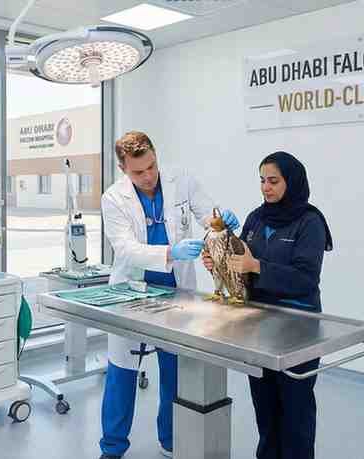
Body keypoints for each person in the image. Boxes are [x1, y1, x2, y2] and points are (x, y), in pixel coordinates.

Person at [99, 131, 239, 459]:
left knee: (174, 373)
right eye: (138, 172)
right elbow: (125, 249)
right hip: (132, 292)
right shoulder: (113, 198)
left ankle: (171, 439)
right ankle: (112, 449)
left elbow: (207, 213)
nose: (148, 176)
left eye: (151, 166)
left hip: (175, 292)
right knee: (121, 376)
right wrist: (170, 252)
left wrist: (219, 220)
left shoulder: (181, 179)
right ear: (123, 169)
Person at [205, 151, 333, 459]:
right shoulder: (256, 218)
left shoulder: (310, 222)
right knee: (265, 409)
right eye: (262, 181)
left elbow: (305, 278)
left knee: (295, 412)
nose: (266, 187)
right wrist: (218, 264)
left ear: (293, 181)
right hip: (257, 325)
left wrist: (256, 266)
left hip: (298, 326)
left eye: (273, 181)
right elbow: (240, 267)